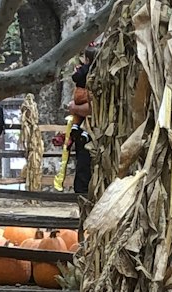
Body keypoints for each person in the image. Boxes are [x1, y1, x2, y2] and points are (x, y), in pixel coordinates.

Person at [66, 45, 96, 196]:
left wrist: (74, 108)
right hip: (89, 134)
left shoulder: (91, 75)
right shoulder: (90, 73)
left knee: (86, 167)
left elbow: (93, 108)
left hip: (96, 133)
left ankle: (79, 129)